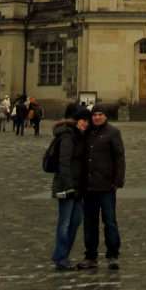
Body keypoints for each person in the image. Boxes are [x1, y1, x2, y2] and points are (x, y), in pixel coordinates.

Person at [78, 104, 125, 272]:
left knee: (110, 221)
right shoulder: (87, 133)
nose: (97, 117)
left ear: (105, 116)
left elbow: (119, 158)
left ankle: (113, 255)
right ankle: (91, 256)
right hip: (89, 186)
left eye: (100, 114)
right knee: (90, 223)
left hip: (106, 186)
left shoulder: (113, 132)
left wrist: (117, 181)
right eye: (95, 115)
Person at [51, 105, 91, 271]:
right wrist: (68, 186)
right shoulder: (68, 136)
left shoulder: (81, 136)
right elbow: (64, 163)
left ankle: (63, 255)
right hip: (67, 186)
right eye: (83, 121)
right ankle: (61, 257)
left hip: (79, 186)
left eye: (87, 122)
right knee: (65, 222)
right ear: (77, 120)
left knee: (75, 221)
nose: (85, 124)